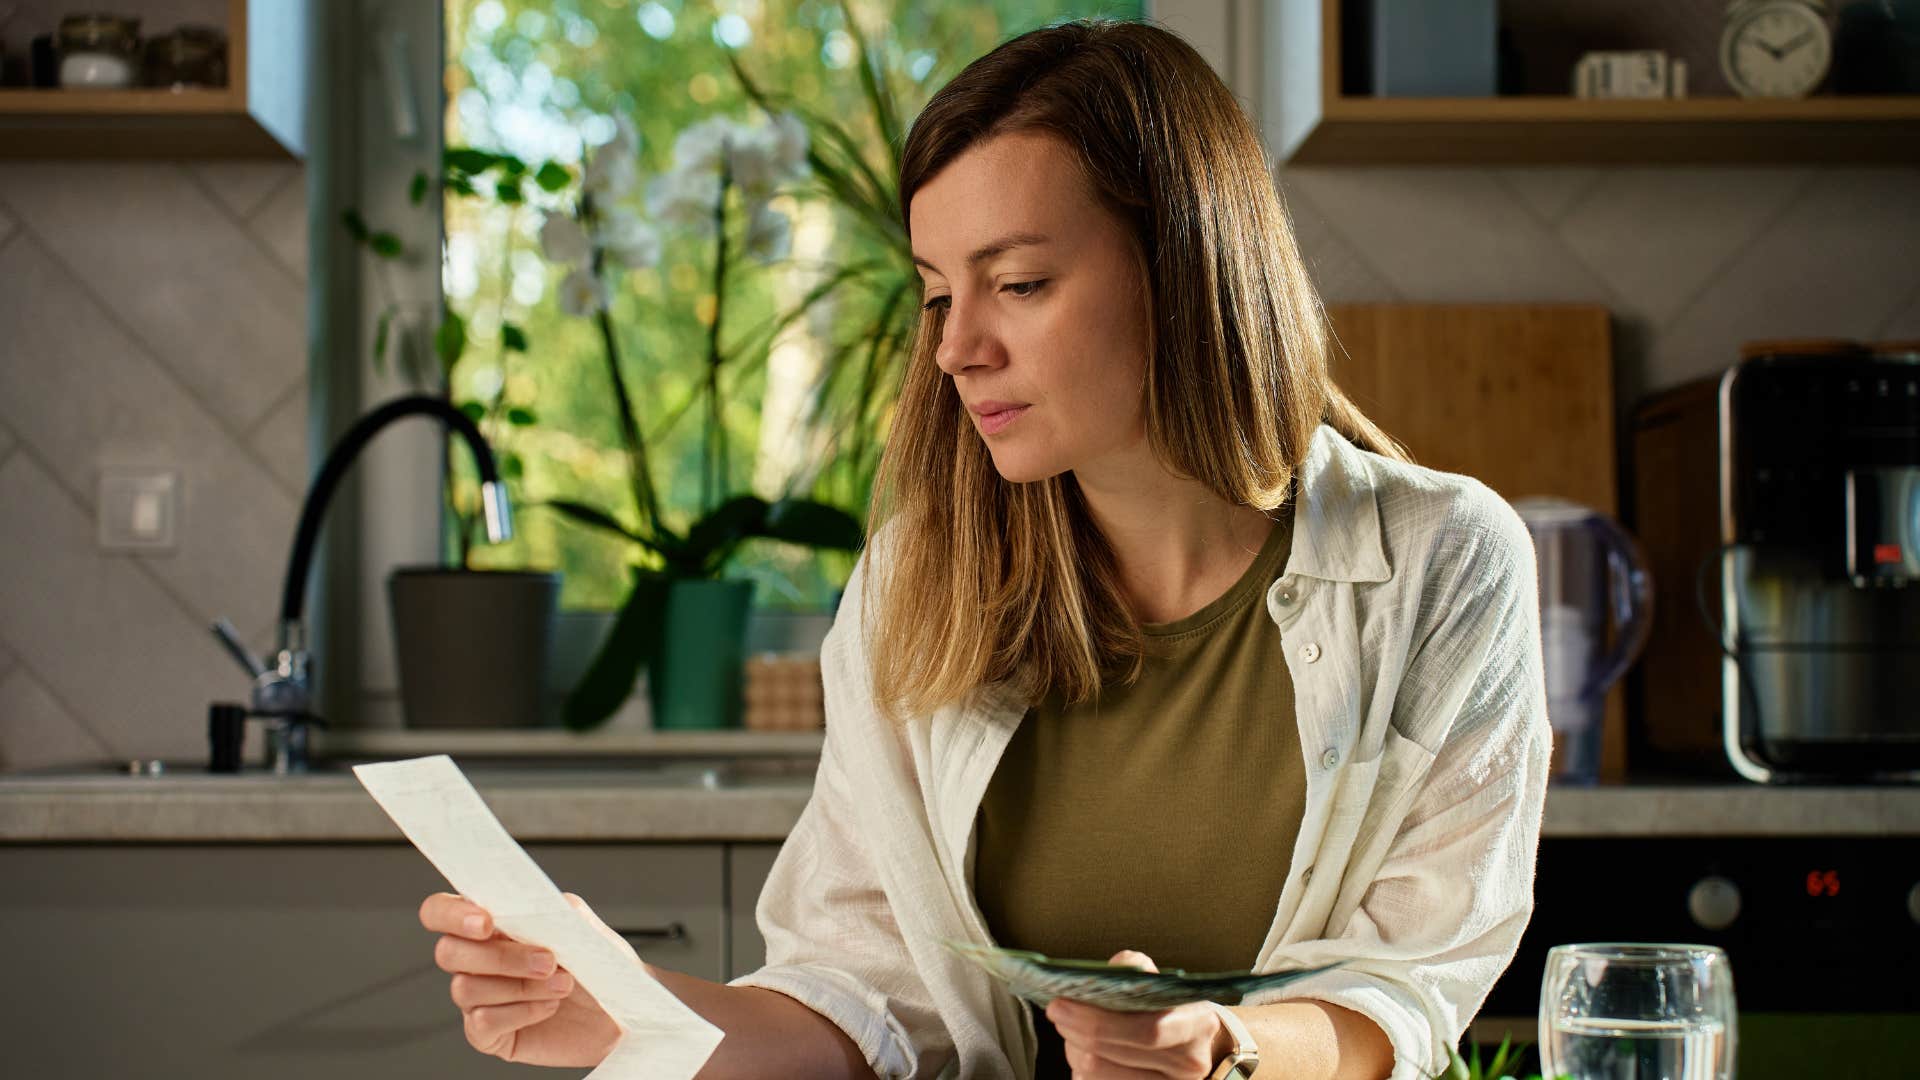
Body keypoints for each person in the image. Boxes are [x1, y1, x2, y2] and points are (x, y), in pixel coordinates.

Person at [417, 18, 1550, 1080]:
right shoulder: (919, 582)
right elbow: (862, 1001)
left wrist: (1223, 1047)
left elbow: (1409, 989)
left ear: (1187, 268)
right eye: (934, 294)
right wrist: (632, 1012)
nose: (958, 346)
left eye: (1018, 284)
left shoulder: (1441, 561)